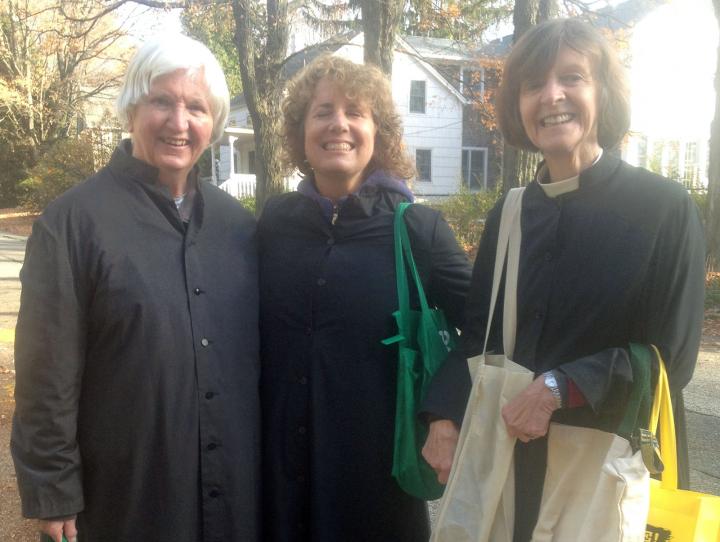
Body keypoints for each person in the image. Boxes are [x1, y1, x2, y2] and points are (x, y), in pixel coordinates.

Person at [424, 18, 706, 541]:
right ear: (518, 105)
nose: (552, 95)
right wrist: (442, 416)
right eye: (533, 84)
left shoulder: (664, 209)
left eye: (572, 77)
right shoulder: (509, 215)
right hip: (506, 471)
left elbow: (672, 361)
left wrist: (559, 386)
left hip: (599, 473)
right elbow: (475, 337)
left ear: (603, 93)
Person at [11, 35, 260, 542]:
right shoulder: (73, 225)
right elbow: (46, 373)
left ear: (212, 124)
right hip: (126, 497)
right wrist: (54, 491)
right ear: (132, 110)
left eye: (196, 107)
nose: (179, 122)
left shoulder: (238, 227)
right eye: (162, 102)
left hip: (231, 495)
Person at [257, 55, 472, 541]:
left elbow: (487, 325)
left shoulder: (417, 231)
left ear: (378, 133)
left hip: (377, 479)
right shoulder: (274, 224)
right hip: (281, 476)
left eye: (356, 112)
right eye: (323, 111)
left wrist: (443, 412)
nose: (339, 124)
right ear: (300, 132)